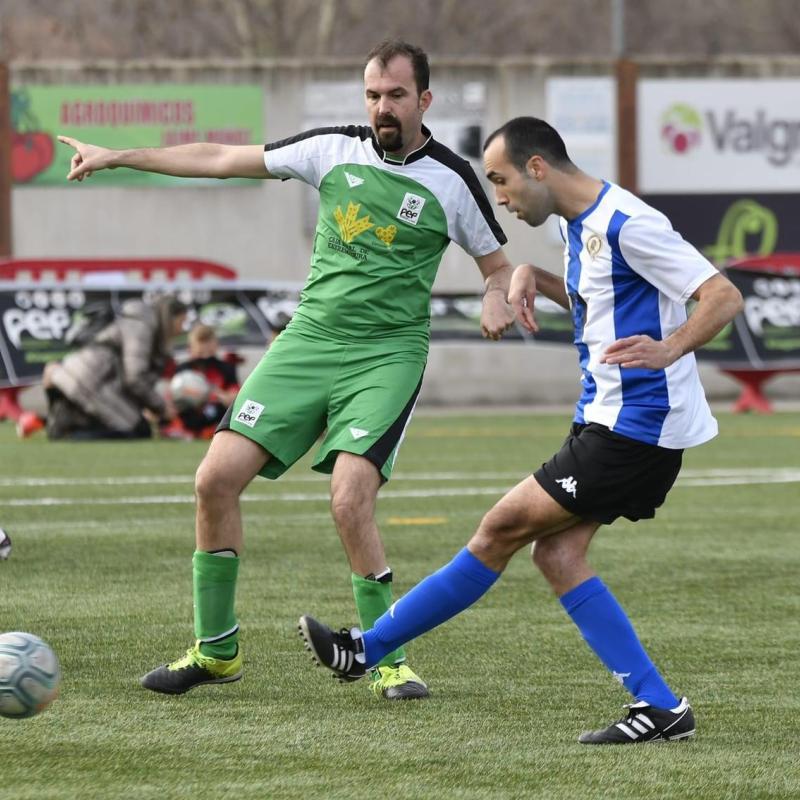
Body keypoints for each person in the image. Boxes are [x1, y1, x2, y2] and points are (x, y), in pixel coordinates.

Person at [58, 40, 515, 699]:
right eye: (372, 95)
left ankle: (384, 657)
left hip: (386, 355)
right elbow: (217, 158)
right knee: (214, 480)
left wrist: (497, 300)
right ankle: (215, 653)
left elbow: (497, 268)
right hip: (307, 342)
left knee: (348, 500)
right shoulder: (332, 149)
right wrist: (118, 155)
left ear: (424, 100)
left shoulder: (453, 178)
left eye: (394, 95)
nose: (382, 107)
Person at [298, 116, 744, 742]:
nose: (500, 198)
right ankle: (661, 708)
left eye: (502, 182)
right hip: (607, 421)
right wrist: (532, 278)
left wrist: (671, 348)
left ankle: (368, 648)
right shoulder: (574, 223)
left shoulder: (630, 223)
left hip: (635, 428)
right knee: (557, 554)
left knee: (499, 528)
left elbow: (721, 295)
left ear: (538, 168)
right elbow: (600, 298)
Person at [41, 295, 186, 440]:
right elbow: (134, 377)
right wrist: (161, 407)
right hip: (92, 380)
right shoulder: (141, 327)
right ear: (169, 318)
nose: (182, 329)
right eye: (181, 321)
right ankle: (70, 436)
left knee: (136, 427)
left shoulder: (138, 322)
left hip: (85, 377)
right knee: (136, 431)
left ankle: (58, 426)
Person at [165, 323, 240, 439]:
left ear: (215, 345)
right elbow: (170, 396)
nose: (204, 356)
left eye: (208, 350)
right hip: (187, 413)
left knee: (217, 409)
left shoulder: (226, 368)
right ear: (191, 347)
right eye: (200, 351)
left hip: (213, 415)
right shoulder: (182, 370)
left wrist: (215, 393)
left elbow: (235, 397)